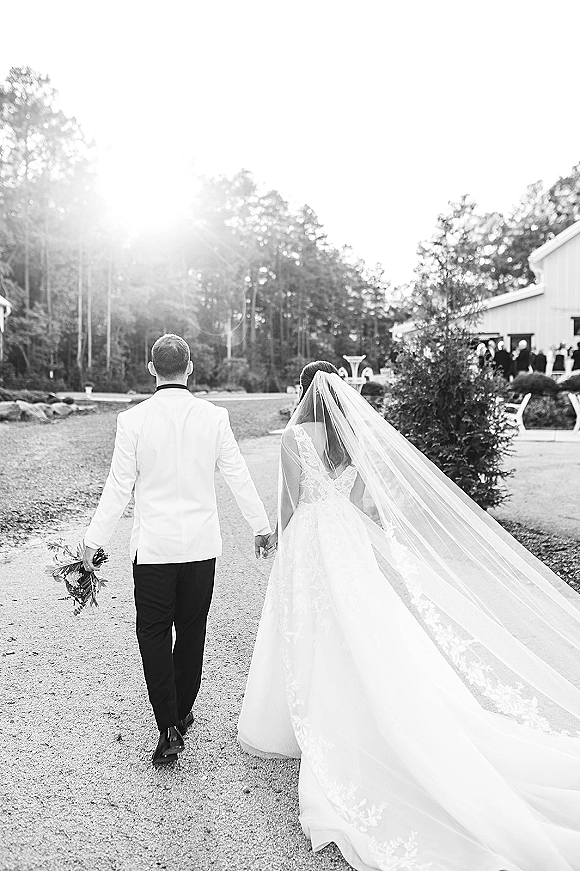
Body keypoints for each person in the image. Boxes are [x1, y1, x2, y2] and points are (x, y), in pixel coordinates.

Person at [238, 360, 580, 871]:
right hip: (346, 538)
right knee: (358, 626)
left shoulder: (294, 438)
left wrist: (283, 546)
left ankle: (305, 722)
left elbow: (290, 503)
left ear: (305, 391)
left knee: (308, 626)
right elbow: (359, 503)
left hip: (311, 536)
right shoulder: (349, 438)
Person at [82, 334, 272, 765]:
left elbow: (118, 487)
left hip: (153, 549)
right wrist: (261, 527)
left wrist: (93, 541)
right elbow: (238, 475)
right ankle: (182, 712)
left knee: (151, 633)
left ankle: (168, 725)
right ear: (189, 368)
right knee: (191, 631)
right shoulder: (214, 417)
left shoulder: (132, 421)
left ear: (152, 369)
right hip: (201, 547)